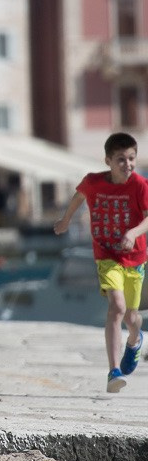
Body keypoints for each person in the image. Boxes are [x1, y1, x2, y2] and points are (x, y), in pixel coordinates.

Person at [53, 132, 148, 393]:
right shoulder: (93, 182)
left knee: (132, 317)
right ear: (107, 160)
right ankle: (113, 371)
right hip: (106, 255)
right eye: (121, 159)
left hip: (135, 258)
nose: (127, 164)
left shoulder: (140, 185)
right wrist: (66, 220)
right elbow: (79, 197)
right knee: (116, 307)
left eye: (131, 159)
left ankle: (134, 340)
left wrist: (132, 233)